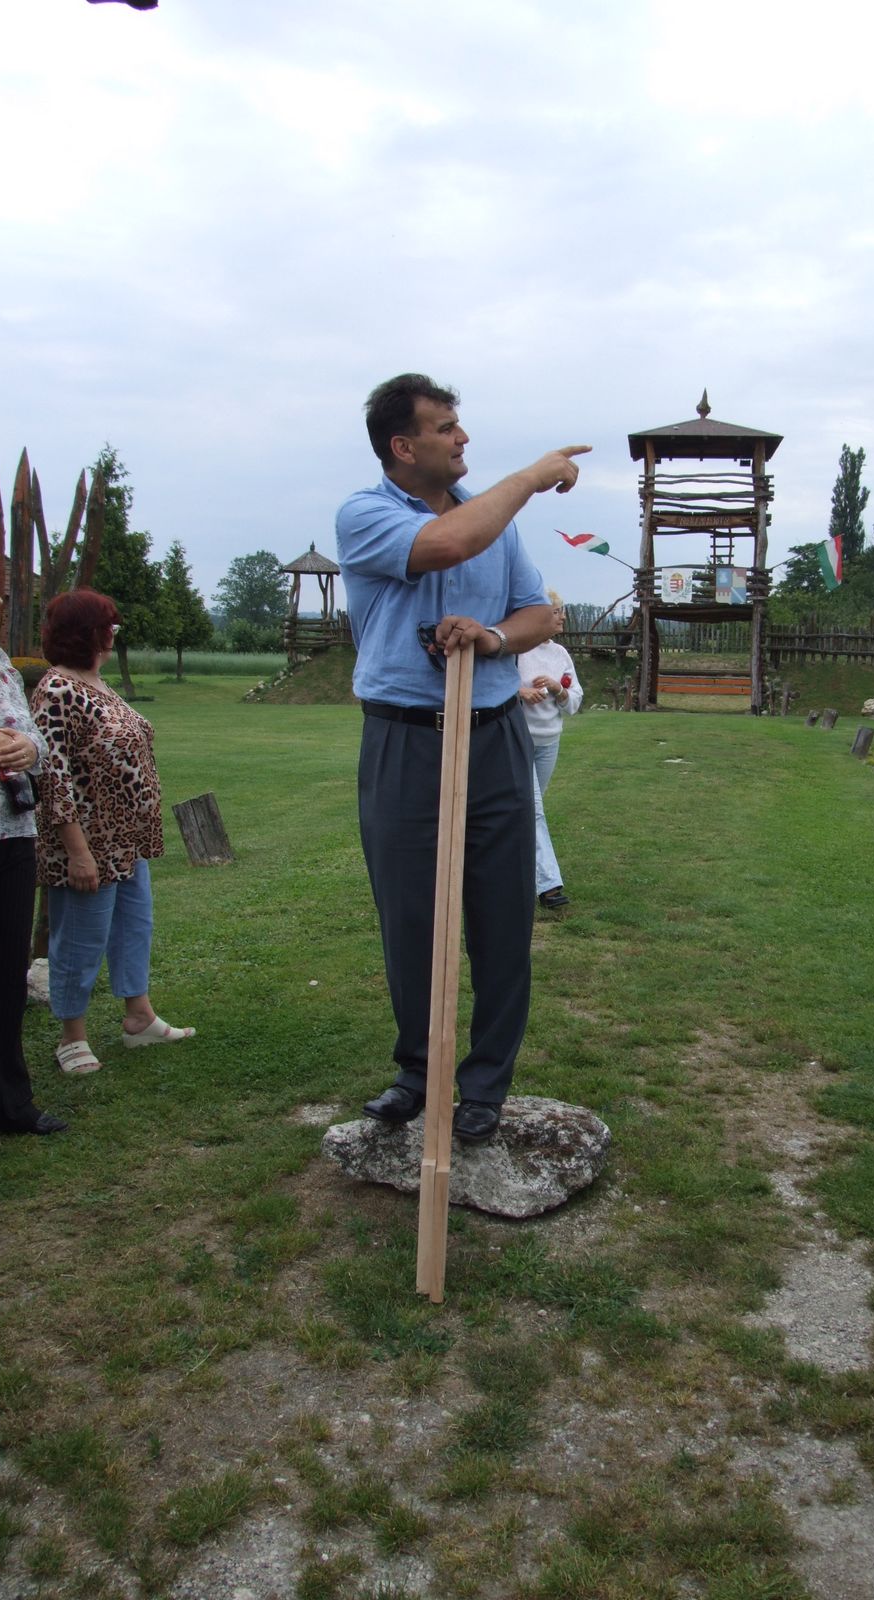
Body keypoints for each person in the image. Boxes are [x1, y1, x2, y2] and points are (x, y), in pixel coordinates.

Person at [336, 373, 588, 1143]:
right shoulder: (367, 514)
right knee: (411, 916)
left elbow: (539, 612)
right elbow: (450, 543)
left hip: (493, 734)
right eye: (445, 427)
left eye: (459, 424)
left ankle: (484, 1085)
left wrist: (493, 638)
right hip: (404, 738)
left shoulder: (493, 521)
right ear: (403, 446)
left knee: (503, 916)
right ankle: (420, 1071)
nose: (462, 437)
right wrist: (533, 477)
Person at [32, 588, 194, 1075]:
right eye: (109, 627)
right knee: (79, 940)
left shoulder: (96, 683)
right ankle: (72, 1037)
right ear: (88, 633)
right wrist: (77, 852)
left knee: (133, 928)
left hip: (125, 842)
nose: (114, 634)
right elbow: (54, 776)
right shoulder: (57, 690)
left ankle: (139, 1017)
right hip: (87, 844)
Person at [0, 557, 68, 1157]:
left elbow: (30, 736)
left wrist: (27, 750)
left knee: (5, 973)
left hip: (12, 833)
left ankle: (9, 1103)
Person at [518, 592, 582, 910]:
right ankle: (549, 886)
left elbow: (575, 701)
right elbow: (494, 684)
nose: (563, 617)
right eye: (557, 611)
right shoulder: (518, 650)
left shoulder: (560, 654)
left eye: (562, 610)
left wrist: (559, 690)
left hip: (549, 742)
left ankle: (506, 866)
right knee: (533, 811)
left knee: (524, 814)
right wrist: (520, 691)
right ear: (540, 615)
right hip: (518, 741)